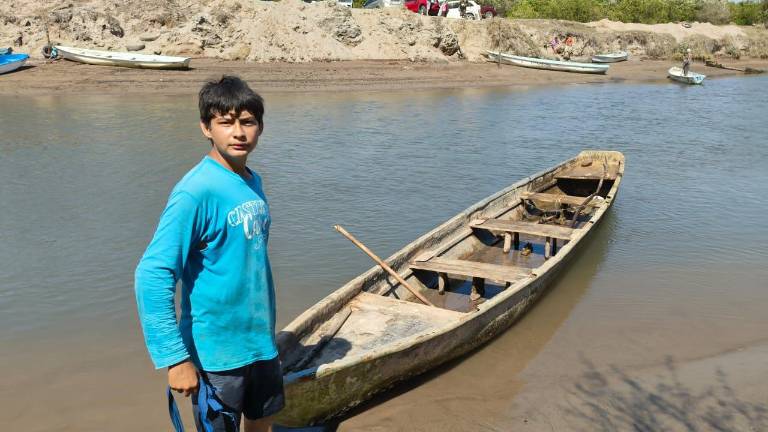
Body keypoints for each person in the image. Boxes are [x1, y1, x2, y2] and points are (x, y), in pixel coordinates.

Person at [135, 75, 283, 432]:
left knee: (262, 423)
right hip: (215, 353)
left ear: (260, 127)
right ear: (206, 127)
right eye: (226, 122)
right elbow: (152, 275)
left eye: (247, 122)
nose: (238, 132)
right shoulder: (195, 192)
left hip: (260, 343)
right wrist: (175, 359)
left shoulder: (252, 181)